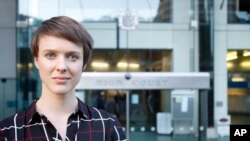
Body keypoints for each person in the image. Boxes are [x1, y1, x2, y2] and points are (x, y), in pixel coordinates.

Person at [0, 16, 126, 141]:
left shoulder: (108, 126)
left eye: (72, 57)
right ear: (36, 60)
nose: (61, 67)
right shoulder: (8, 132)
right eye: (50, 55)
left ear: (84, 63)